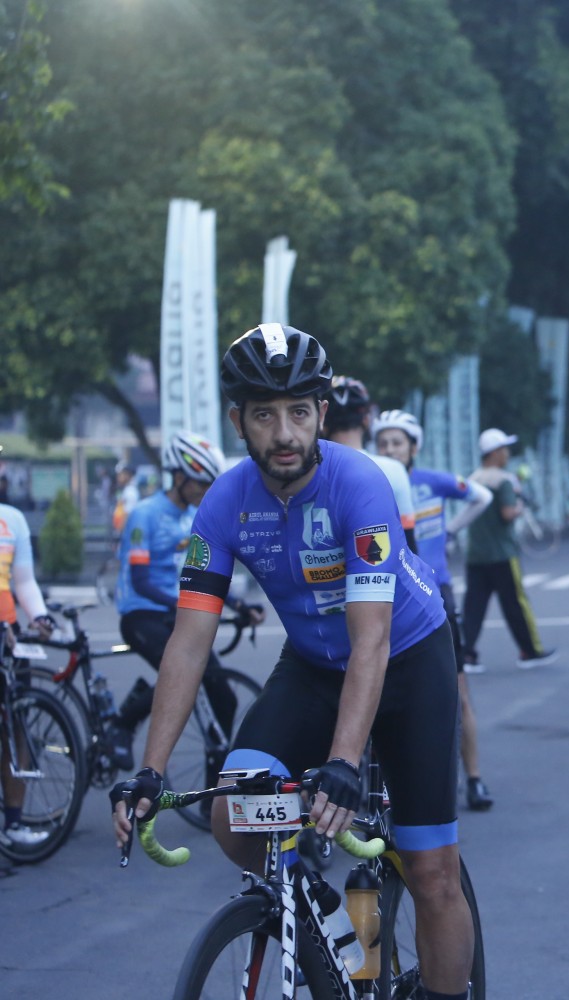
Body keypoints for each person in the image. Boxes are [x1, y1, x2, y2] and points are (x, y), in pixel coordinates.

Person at [110, 323, 474, 1000]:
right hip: (313, 665)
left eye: (299, 412)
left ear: (321, 414)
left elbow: (372, 641)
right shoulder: (223, 504)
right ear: (238, 422)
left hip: (407, 659)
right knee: (233, 817)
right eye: (264, 415)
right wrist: (151, 769)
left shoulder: (359, 484)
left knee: (432, 874)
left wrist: (343, 762)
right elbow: (188, 641)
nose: (284, 433)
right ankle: (324, 920)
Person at [104, 430, 265, 772]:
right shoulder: (145, 514)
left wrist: (239, 605)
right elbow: (141, 582)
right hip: (141, 613)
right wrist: (182, 604)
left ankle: (212, 785)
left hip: (176, 613)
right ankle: (122, 723)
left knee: (224, 696)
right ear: (179, 477)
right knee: (182, 679)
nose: (206, 491)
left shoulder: (195, 516)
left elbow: (205, 573)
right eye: (201, 483)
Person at [372, 408, 497, 811]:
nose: (390, 449)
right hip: (387, 594)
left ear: (414, 447)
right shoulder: (370, 486)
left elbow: (482, 497)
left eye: (397, 442)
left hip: (435, 592)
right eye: (383, 443)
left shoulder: (431, 481)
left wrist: (451, 530)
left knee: (457, 692)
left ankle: (474, 778)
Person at [461, 427, 557, 671]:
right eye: (504, 449)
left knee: (473, 608)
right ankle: (530, 651)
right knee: (516, 605)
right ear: (494, 452)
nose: (507, 453)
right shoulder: (503, 480)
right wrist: (519, 508)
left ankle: (466, 654)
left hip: (476, 555)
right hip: (503, 554)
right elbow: (507, 513)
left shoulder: (473, 478)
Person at [1, 469, 56, 849]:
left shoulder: (13, 519)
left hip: (9, 636)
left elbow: (22, 580)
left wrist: (39, 616)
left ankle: (14, 822)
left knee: (16, 727)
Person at [322, 375, 418, 551]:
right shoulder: (394, 469)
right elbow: (408, 540)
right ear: (366, 421)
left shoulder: (308, 473)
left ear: (322, 422)